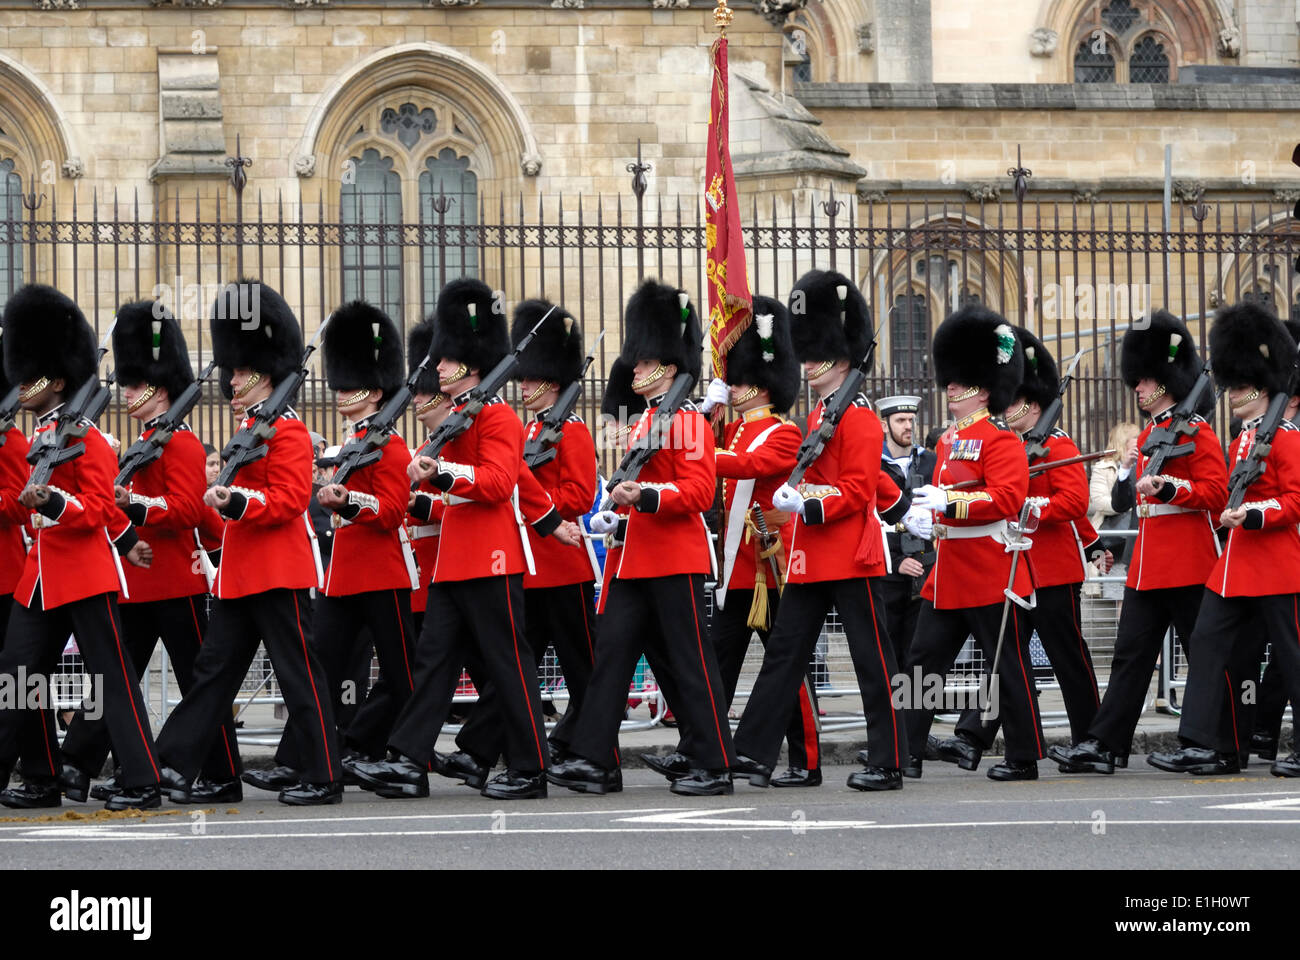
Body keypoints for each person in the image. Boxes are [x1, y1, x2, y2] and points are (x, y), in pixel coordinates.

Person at [350, 279, 553, 801]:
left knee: (509, 666)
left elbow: (497, 484)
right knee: (431, 665)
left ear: (469, 362)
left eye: (445, 360)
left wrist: (440, 474)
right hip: (452, 564)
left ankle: (530, 768)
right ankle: (407, 761)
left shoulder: (499, 416)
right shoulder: (460, 419)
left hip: (490, 559)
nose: (436, 369)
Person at [153, 278, 343, 806]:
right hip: (239, 576)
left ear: (263, 376)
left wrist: (233, 502)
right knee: (213, 674)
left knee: (298, 677)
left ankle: (324, 774)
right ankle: (175, 763)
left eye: (239, 372)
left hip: (279, 572)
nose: (231, 380)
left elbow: (285, 501)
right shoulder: (247, 429)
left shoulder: (288, 432)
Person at [548, 279, 737, 796]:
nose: (632, 368)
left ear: (669, 367)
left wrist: (644, 496)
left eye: (643, 360)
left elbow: (699, 492)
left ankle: (714, 763)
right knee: (611, 657)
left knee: (691, 663)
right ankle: (597, 760)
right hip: (633, 560)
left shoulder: (689, 421)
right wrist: (618, 513)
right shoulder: (646, 422)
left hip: (675, 559)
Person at [726, 271, 912, 792]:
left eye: (814, 354)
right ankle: (754, 755)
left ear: (840, 355)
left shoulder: (856, 416)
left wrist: (803, 501)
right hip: (810, 558)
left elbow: (856, 490)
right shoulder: (819, 417)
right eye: (802, 354)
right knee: (783, 657)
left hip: (851, 555)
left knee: (873, 661)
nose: (805, 363)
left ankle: (889, 760)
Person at [57, 300, 243, 805]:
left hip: (176, 583)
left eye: (135, 385)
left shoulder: (180, 444)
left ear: (159, 390)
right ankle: (78, 762)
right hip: (137, 582)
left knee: (198, 683)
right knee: (113, 681)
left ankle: (222, 774)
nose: (127, 392)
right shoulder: (142, 441)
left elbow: (185, 509)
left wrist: (133, 503)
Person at [644, 294, 824, 787]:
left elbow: (749, 468)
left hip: (768, 568)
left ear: (761, 387)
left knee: (786, 671)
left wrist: (698, 447)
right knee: (715, 673)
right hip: (736, 568)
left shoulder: (782, 433)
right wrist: (705, 421)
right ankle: (697, 750)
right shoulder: (732, 431)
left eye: (740, 380)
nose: (735, 387)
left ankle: (805, 760)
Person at [0, 284, 161, 810]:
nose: (23, 383)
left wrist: (51, 503)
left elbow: (94, 507)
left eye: (33, 375)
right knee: (19, 677)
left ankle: (142, 780)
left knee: (113, 681)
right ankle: (43, 776)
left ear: (59, 379)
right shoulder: (41, 435)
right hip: (40, 577)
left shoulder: (87, 436)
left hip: (85, 574)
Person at [1049, 310, 1228, 775]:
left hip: (1188, 562)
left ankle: (1215, 742)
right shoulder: (1149, 435)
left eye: (1146, 381)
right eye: (1139, 381)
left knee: (1204, 656)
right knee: (1130, 657)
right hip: (1149, 565)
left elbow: (1217, 492)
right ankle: (1106, 745)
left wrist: (1171, 489)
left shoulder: (1198, 432)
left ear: (1167, 383)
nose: (1139, 388)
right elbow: (1129, 498)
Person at [250, 301, 419, 792]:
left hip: (384, 572)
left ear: (373, 389)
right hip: (343, 575)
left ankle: (413, 759)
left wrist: (348, 502)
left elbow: (391, 512)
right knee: (317, 670)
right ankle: (297, 757)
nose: (341, 393)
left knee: (402, 672)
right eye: (340, 384)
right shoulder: (347, 445)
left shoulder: (391, 445)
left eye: (350, 386)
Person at [443, 299, 599, 782]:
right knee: (515, 668)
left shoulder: (570, 431)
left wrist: (528, 493)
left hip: (564, 564)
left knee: (584, 670)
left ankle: (598, 755)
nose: (523, 387)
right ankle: (481, 751)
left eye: (530, 381)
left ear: (552, 382)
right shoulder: (527, 428)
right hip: (532, 564)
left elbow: (578, 494)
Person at [936, 326, 1103, 770]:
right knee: (1003, 661)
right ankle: (973, 736)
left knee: (1068, 657)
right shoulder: (1010, 444)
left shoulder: (1057, 444)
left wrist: (1029, 506)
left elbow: (1074, 503)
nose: (1004, 408)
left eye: (1012, 402)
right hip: (1015, 569)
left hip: (1051, 569)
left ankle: (1092, 738)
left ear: (1031, 404)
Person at [1147, 304, 1300, 777]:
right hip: (1234, 568)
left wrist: (1251, 515)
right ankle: (1211, 744)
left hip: (1277, 563)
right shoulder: (1241, 439)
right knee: (1214, 650)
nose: (1230, 395)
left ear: (1261, 387)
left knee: (1293, 660)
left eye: (1238, 387)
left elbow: (1294, 500)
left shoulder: (1288, 438)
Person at [903, 304, 1046, 782]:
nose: (951, 388)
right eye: (951, 380)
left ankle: (1024, 755)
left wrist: (951, 503)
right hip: (949, 571)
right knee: (922, 662)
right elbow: (943, 492)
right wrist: (925, 515)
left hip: (989, 569)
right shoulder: (947, 440)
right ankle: (906, 750)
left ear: (983, 390)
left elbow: (1007, 499)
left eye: (960, 383)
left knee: (1006, 666)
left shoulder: (1000, 440)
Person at [877, 394, 937, 668]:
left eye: (911, 420)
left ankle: (916, 710)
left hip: (925, 569)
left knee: (920, 654)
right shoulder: (872, 463)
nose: (908, 426)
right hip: (888, 573)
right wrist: (897, 561)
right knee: (887, 651)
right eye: (900, 420)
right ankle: (892, 711)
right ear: (884, 425)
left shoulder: (929, 461)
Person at [1087, 422, 1139, 599]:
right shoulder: (1103, 467)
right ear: (1124, 442)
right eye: (1135, 439)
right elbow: (1099, 502)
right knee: (1121, 594)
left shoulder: (1142, 464)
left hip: (1136, 535)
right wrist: (1125, 503)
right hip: (1115, 538)